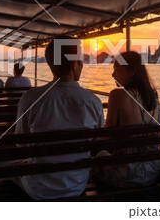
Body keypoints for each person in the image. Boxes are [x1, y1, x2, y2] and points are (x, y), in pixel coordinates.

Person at [14, 37, 104, 200]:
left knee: (11, 169)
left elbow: (21, 143)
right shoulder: (93, 102)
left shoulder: (30, 98)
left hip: (38, 188)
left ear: (50, 64)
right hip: (77, 184)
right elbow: (96, 143)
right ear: (75, 64)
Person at [93, 51, 160, 188]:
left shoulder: (117, 95)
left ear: (132, 72)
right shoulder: (154, 97)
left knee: (96, 156)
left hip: (127, 176)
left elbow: (107, 136)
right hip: (153, 172)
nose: (113, 75)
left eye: (117, 70)